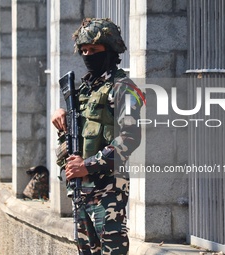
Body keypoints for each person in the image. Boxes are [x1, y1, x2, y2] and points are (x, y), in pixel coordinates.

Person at [52, 18, 143, 255]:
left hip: (108, 189)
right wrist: (62, 116)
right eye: (83, 50)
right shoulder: (84, 89)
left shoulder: (122, 87)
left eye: (94, 50)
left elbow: (130, 137)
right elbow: (80, 132)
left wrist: (88, 166)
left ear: (110, 49)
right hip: (81, 188)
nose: (87, 55)